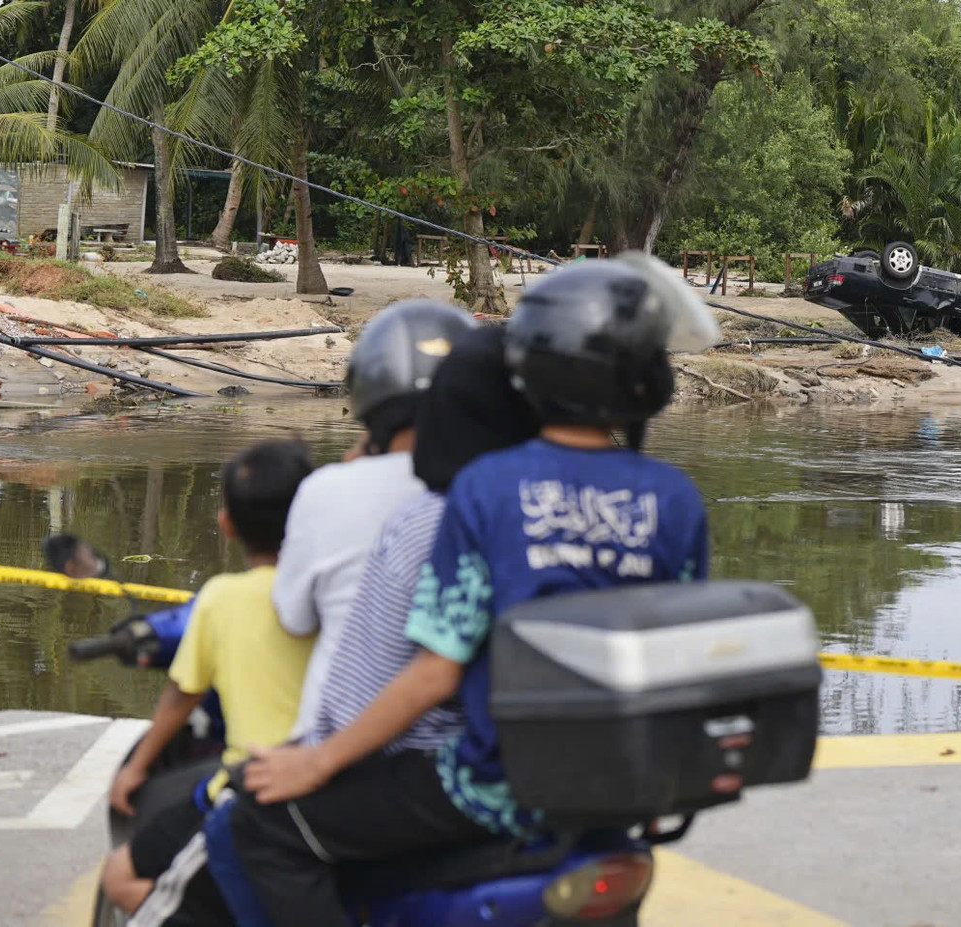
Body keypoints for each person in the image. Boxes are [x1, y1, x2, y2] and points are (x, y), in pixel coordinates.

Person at [227, 257, 717, 926]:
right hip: (619, 788)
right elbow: (677, 655)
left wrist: (316, 761)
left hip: (493, 786)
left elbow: (435, 672)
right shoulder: (678, 500)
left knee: (267, 824)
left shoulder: (486, 487)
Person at [201, 324, 542, 926]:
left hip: (403, 760)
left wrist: (321, 757)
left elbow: (408, 667)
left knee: (245, 822)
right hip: (526, 755)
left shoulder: (413, 511)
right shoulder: (528, 494)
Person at [99, 439, 315, 919]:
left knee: (119, 875)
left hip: (251, 792)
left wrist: (135, 769)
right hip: (342, 786)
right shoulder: (338, 589)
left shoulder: (220, 598)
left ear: (227, 524)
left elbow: (183, 691)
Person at [273, 300, 476, 741]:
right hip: (471, 752)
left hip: (336, 749)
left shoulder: (328, 488)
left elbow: (294, 618)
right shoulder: (496, 492)